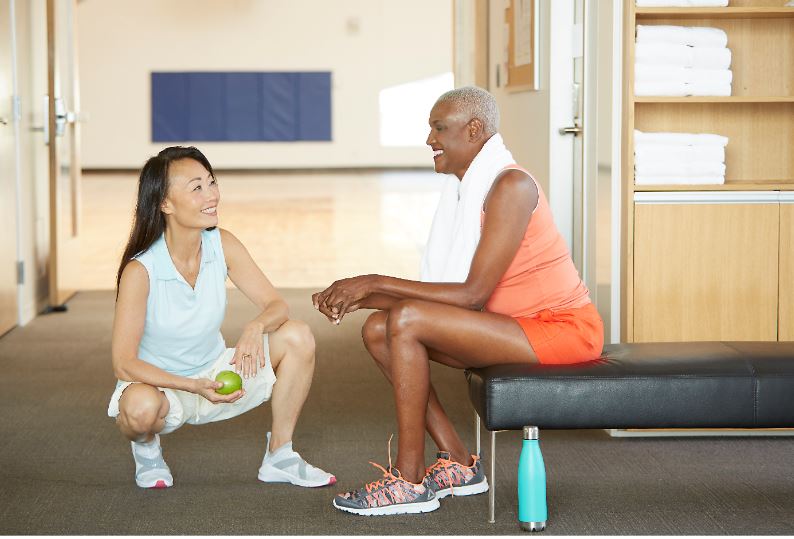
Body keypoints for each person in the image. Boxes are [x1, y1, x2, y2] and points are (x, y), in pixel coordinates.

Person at [313, 86, 603, 516]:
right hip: (515, 325)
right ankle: (459, 464)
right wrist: (363, 297)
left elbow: (471, 295)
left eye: (439, 128)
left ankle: (409, 481)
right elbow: (463, 294)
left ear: (473, 130)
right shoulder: (468, 187)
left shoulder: (511, 185)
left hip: (561, 329)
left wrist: (372, 283)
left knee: (405, 319)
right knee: (380, 328)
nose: (430, 140)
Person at [109, 146, 335, 489]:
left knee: (297, 335)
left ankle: (280, 455)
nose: (211, 195)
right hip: (162, 386)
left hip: (215, 371)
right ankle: (147, 450)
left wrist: (255, 326)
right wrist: (192, 386)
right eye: (196, 187)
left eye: (211, 182)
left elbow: (276, 304)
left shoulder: (221, 244)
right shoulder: (141, 270)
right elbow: (124, 364)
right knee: (139, 409)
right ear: (165, 203)